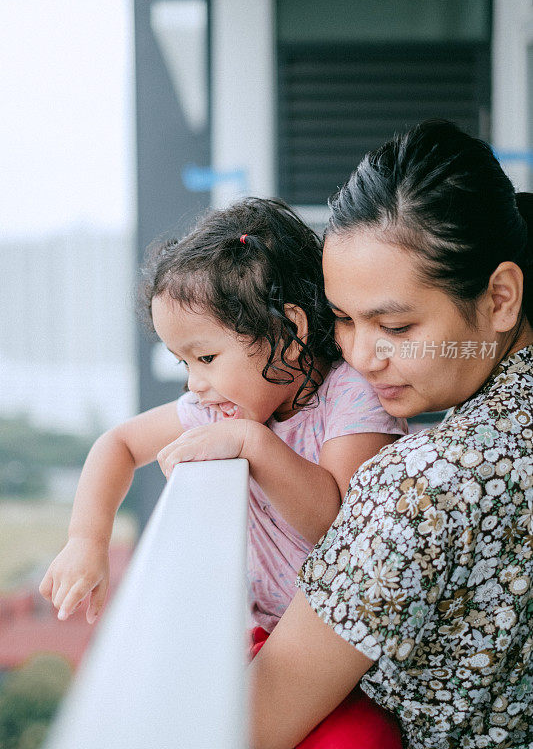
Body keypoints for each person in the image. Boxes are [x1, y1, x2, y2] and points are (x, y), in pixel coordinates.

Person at [39, 197, 406, 746]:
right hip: (278, 635)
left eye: (205, 358)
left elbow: (341, 530)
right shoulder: (226, 406)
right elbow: (117, 443)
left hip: (364, 659)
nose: (194, 384)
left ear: (291, 329)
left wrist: (253, 443)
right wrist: (86, 540)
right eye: (183, 362)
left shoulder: (349, 396)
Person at [249, 121, 533, 749]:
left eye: (397, 327)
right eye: (343, 321)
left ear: (501, 297)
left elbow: (251, 723)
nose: (359, 356)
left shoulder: (425, 483)